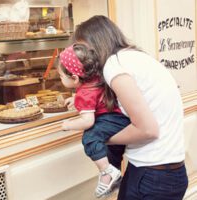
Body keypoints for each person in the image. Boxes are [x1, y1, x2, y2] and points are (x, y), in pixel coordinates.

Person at [73, 15, 188, 200]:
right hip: (167, 173)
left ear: (93, 46)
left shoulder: (114, 65)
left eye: (81, 50)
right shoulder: (135, 57)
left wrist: (100, 139)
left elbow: (148, 130)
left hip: (152, 176)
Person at [58, 43, 131, 198]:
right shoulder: (95, 79)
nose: (60, 79)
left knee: (90, 137)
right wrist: (75, 98)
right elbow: (94, 97)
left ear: (74, 78)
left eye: (61, 76)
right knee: (112, 151)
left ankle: (108, 172)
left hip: (110, 120)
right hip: (121, 118)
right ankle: (113, 176)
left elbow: (87, 121)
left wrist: (68, 125)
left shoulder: (84, 93)